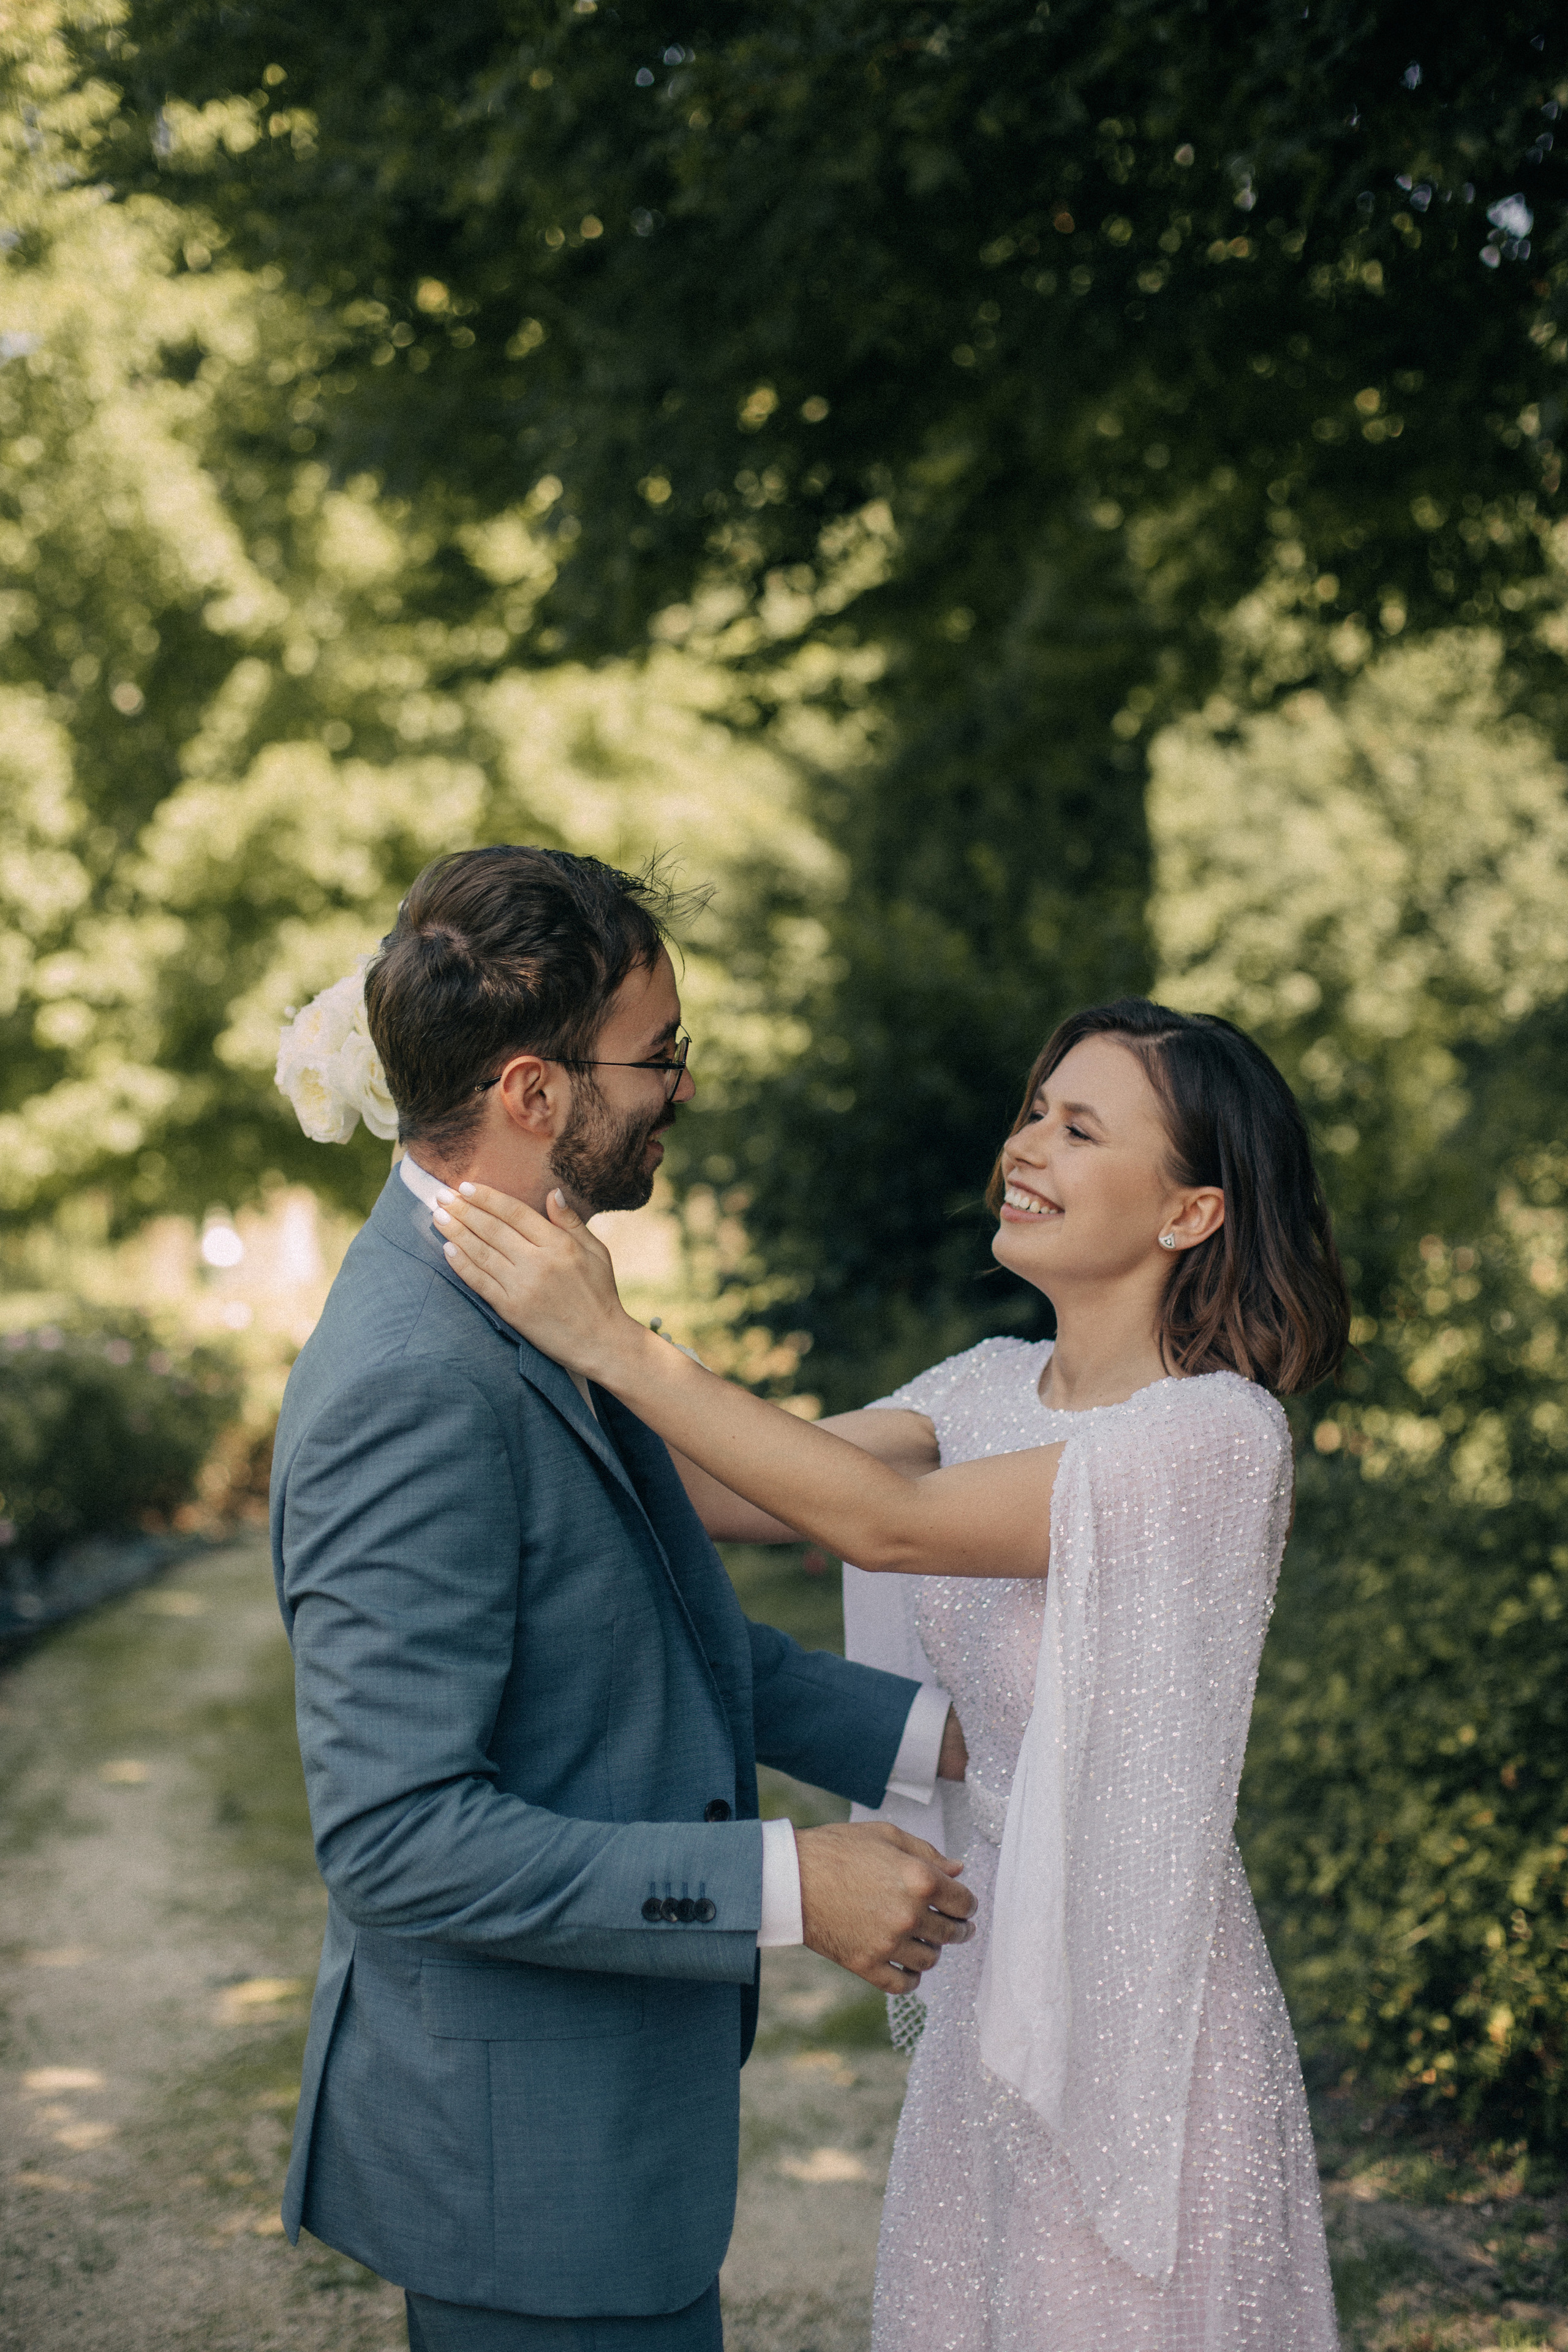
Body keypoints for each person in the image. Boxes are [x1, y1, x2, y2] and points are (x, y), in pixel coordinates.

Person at [437, 995, 1351, 2350]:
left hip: (1135, 1984)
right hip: (991, 1952)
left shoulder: (1214, 1438)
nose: (1025, 1144)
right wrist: (516, 1349)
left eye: (1080, 1127)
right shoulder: (984, 1385)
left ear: (1189, 1215)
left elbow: (885, 1524)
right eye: (1034, 1109)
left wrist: (616, 1342)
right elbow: (732, 1487)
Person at [268, 846, 976, 2352]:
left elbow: (663, 1639)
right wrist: (791, 1890)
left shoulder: (535, 1293)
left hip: (604, 2140)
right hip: (523, 2170)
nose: (682, 1087)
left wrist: (950, 1741)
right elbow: (397, 1843)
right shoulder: (412, 1379)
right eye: (659, 1055)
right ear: (534, 1094)